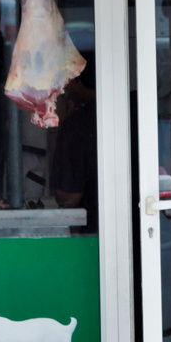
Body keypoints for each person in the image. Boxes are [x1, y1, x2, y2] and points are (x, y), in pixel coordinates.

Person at [49, 61, 99, 230]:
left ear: (79, 82)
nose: (64, 89)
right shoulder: (135, 110)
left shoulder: (77, 124)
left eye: (67, 80)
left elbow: (68, 198)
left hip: (98, 236)